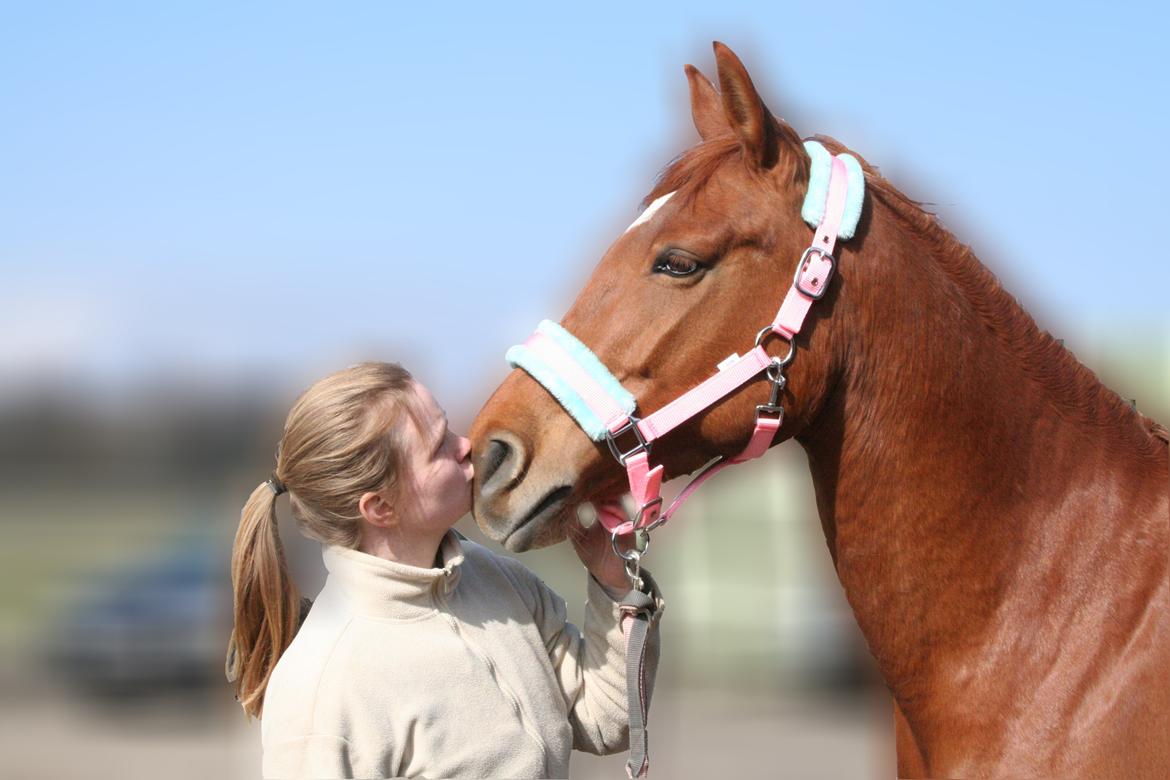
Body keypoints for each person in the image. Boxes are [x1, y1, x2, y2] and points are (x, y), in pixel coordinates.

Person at [226, 361, 663, 779]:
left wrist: (613, 581)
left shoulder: (498, 581)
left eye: (448, 425)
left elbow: (605, 717)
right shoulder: (322, 689)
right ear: (380, 507)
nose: (466, 445)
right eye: (438, 447)